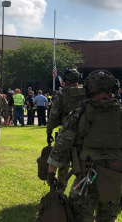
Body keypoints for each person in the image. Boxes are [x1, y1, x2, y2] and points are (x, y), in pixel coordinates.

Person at [47, 70, 122, 222]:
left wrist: (51, 173)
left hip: (87, 178)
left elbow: (61, 146)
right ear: (112, 89)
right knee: (108, 218)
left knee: (79, 216)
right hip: (116, 178)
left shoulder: (80, 113)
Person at [46, 68, 87, 192]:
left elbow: (53, 115)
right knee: (84, 163)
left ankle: (60, 189)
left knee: (62, 162)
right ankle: (81, 190)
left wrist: (49, 131)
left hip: (68, 132)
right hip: (86, 133)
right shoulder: (88, 92)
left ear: (65, 80)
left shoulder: (63, 94)